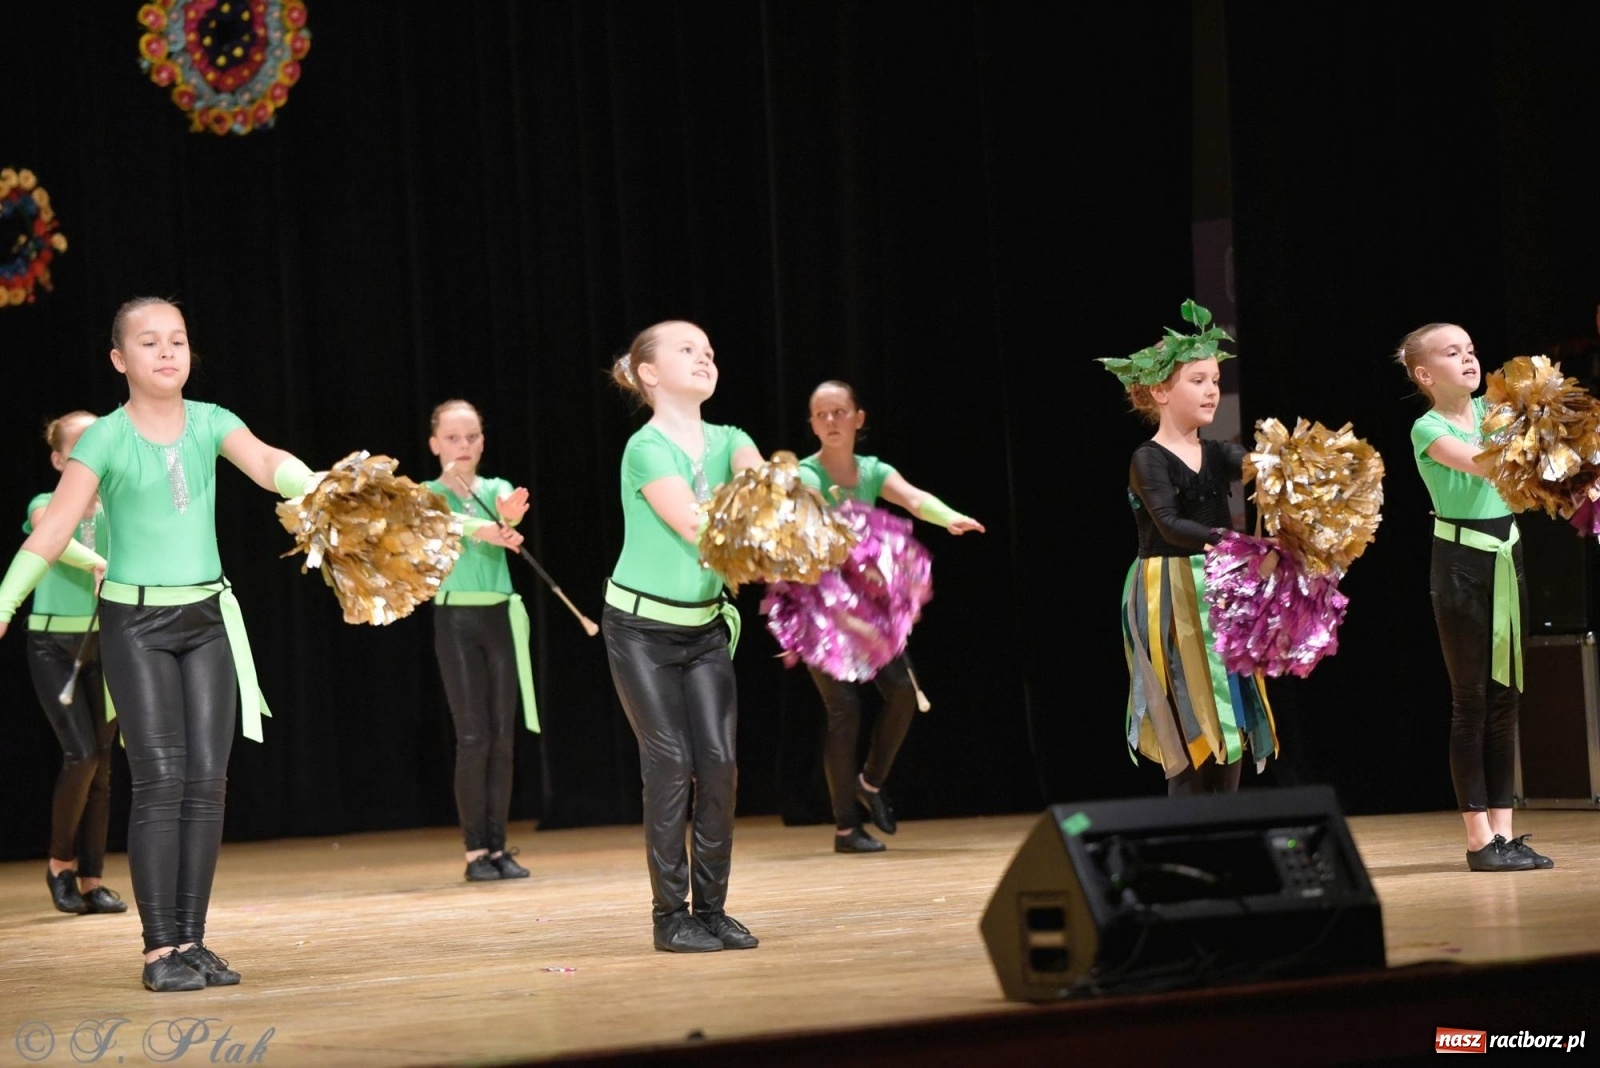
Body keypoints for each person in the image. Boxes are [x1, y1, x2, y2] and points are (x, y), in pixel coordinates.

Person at [1, 297, 330, 992]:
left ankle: (192, 939)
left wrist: (321, 486)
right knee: (160, 783)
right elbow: (53, 528)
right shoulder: (105, 439)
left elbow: (269, 462)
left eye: (177, 340)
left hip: (206, 618)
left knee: (207, 785)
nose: (166, 351)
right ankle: (159, 951)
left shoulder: (212, 422)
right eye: (148, 342)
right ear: (120, 359)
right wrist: (4, 598)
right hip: (136, 624)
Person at [601, 319, 763, 953]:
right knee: (670, 764)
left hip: (704, 632)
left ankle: (713, 910)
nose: (704, 358)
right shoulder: (645, 448)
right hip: (640, 630)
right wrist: (766, 534)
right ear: (648, 372)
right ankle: (670, 916)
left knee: (719, 766)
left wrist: (792, 508)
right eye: (687, 349)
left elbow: (764, 491)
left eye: (710, 351)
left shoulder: (733, 439)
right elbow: (701, 526)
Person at [795, 380, 984, 853]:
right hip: (820, 608)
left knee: (902, 694)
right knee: (844, 711)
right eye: (822, 415)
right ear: (813, 424)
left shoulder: (873, 471)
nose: (832, 421)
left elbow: (915, 499)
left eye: (840, 412)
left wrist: (949, 517)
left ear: (859, 418)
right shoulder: (803, 476)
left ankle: (871, 784)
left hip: (866, 607)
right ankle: (845, 827)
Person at [1395, 322, 1554, 872]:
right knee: (1472, 702)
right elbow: (1489, 463)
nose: (1468, 358)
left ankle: (1505, 836)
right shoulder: (1427, 427)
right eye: (1451, 352)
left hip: (1507, 555)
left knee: (1506, 697)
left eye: (1470, 349)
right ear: (1424, 374)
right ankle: (1478, 840)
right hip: (1461, 564)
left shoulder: (1495, 415)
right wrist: (1536, 440)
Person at [1100, 305, 1278, 796]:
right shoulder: (1147, 458)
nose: (1212, 390)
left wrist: (1293, 471)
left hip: (1221, 590)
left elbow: (1263, 467)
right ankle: (1188, 825)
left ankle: (1226, 828)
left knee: (1230, 719)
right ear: (1160, 392)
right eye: (1198, 380)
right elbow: (1173, 527)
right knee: (1188, 720)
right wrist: (1239, 543)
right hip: (1169, 595)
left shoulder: (1219, 451)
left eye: (1216, 379)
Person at [423, 399, 538, 883]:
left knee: (501, 737)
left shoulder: (497, 490)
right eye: (453, 438)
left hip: (501, 617)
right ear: (435, 444)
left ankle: (497, 845)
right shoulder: (425, 494)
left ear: (483, 441)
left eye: (471, 437)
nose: (463, 446)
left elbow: (508, 522)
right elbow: (446, 528)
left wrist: (507, 524)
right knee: (472, 737)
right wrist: (490, 530)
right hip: (455, 618)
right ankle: (475, 851)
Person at [24, 411, 128, 917]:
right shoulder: (45, 503)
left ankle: (91, 880)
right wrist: (97, 562)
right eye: (80, 444)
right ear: (60, 458)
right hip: (53, 646)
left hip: (106, 644)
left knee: (105, 767)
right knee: (81, 755)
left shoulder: (116, 508)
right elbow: (52, 538)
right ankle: (59, 864)